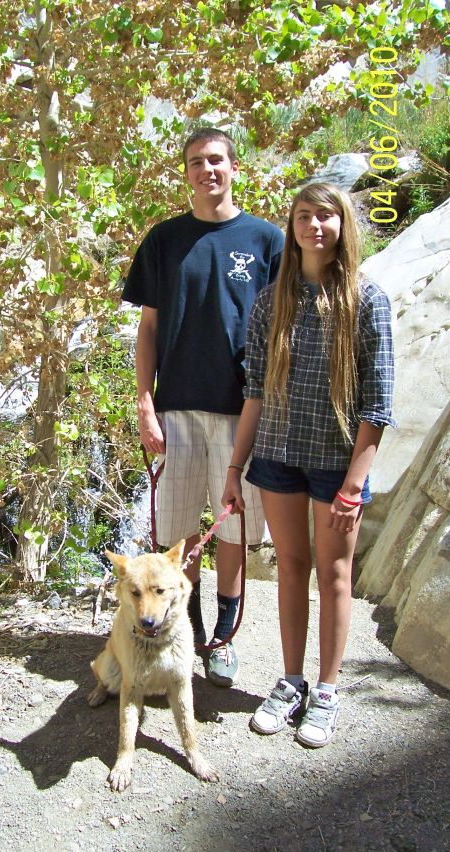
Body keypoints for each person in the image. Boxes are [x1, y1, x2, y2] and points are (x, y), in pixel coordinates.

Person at [222, 181, 395, 746]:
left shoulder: (368, 301)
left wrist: (354, 485)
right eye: (303, 216)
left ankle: (325, 690)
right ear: (291, 226)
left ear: (342, 225)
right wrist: (234, 467)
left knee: (335, 573)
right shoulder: (273, 300)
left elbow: (378, 403)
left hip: (335, 465)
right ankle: (291, 679)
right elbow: (254, 391)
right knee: (291, 567)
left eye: (325, 216)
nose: (313, 226)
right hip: (276, 456)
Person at [123, 127, 285, 687]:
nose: (206, 170)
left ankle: (222, 638)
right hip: (177, 410)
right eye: (196, 162)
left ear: (234, 167)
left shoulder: (268, 241)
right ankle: (184, 632)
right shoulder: (164, 241)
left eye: (216, 160)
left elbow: (286, 329)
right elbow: (147, 329)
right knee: (176, 531)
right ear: (186, 171)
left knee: (233, 529)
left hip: (246, 411)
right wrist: (144, 400)